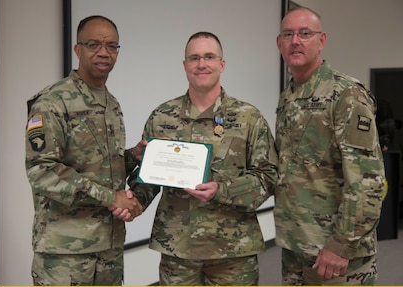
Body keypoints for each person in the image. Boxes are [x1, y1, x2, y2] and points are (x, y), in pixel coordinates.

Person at [124, 31, 278, 285]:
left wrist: (223, 190)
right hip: (177, 249)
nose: (201, 64)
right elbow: (149, 176)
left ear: (222, 64)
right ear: (185, 66)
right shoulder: (162, 117)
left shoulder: (249, 118)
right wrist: (135, 203)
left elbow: (268, 176)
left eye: (209, 56)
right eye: (194, 58)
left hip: (234, 251)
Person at [25, 15, 146, 285]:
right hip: (66, 252)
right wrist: (111, 198)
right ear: (78, 49)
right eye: (94, 44)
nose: (104, 52)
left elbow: (99, 166)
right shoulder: (52, 102)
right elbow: (42, 170)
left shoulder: (111, 104)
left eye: (112, 46)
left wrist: (132, 158)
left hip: (109, 246)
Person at [274, 7, 385, 285]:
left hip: (336, 256)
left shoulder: (346, 94)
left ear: (321, 40)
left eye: (305, 33)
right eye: (288, 34)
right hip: (297, 247)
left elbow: (368, 182)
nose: (295, 41)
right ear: (279, 43)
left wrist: (341, 245)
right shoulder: (288, 97)